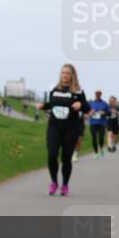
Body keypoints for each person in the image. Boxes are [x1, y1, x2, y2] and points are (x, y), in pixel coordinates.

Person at [38, 64, 87, 196]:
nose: (65, 75)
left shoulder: (78, 91)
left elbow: (86, 108)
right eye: (63, 73)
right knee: (52, 154)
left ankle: (65, 184)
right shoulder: (54, 88)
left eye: (68, 73)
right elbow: (52, 104)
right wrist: (44, 106)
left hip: (71, 128)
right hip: (54, 126)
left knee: (66, 158)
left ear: (72, 75)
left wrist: (80, 105)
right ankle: (54, 182)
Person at [87, 90, 110, 159]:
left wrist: (104, 113)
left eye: (99, 94)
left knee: (101, 137)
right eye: (96, 94)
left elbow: (109, 113)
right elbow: (87, 112)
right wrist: (90, 113)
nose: (98, 95)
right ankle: (96, 152)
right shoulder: (91, 103)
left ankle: (101, 149)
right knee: (94, 138)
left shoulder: (104, 104)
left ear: (101, 95)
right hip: (93, 123)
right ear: (95, 94)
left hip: (102, 123)